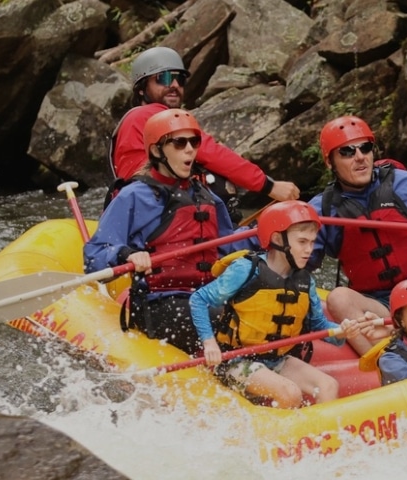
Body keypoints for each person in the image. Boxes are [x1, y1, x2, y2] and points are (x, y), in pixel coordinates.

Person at [85, 109, 245, 355]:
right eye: (180, 143)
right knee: (232, 324)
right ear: (157, 150)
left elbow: (227, 247)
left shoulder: (206, 196)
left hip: (206, 296)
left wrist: (262, 236)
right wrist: (126, 254)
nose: (190, 149)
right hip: (160, 304)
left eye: (194, 141)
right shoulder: (133, 196)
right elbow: (94, 257)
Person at [188, 201, 371, 408]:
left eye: (312, 242)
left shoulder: (305, 281)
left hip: (278, 359)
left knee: (329, 386)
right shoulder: (246, 270)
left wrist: (342, 331)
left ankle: (322, 438)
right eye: (302, 241)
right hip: (236, 360)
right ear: (277, 238)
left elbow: (319, 326)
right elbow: (199, 299)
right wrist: (209, 342)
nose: (309, 249)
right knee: (290, 393)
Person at [108, 46, 300, 214]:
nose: (174, 85)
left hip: (151, 204)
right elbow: (212, 154)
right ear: (141, 89)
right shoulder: (150, 116)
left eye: (179, 79)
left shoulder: (139, 118)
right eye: (164, 78)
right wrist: (269, 186)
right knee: (217, 182)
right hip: (152, 208)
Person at [308, 115, 407, 340]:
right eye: (347, 152)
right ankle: (384, 363)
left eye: (365, 148)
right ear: (330, 162)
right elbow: (291, 254)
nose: (360, 157)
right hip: (380, 304)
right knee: (338, 298)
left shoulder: (401, 184)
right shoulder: (323, 208)